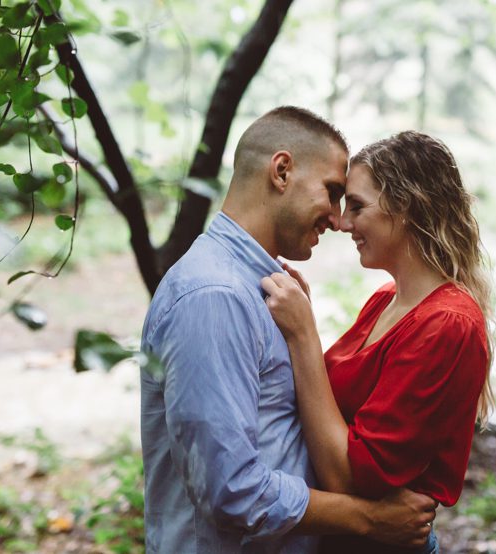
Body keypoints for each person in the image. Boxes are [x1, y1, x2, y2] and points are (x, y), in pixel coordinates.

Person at [140, 108, 437, 554]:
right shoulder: (213, 295)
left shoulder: (262, 287)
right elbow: (233, 490)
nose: (338, 220)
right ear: (281, 172)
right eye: (333, 193)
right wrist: (371, 520)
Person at [261, 131, 495, 554]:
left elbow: (351, 478)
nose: (343, 223)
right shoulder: (386, 299)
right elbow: (336, 403)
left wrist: (303, 334)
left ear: (405, 207)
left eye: (357, 206)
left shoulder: (448, 324)